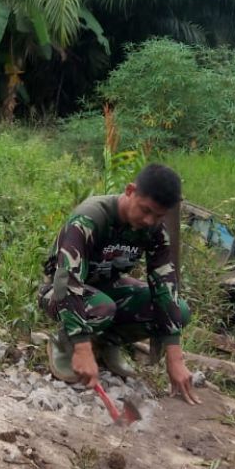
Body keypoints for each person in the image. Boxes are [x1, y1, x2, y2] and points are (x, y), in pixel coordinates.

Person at [39, 163, 201, 405]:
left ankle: (105, 343)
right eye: (145, 210)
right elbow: (66, 280)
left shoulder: (154, 229)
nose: (149, 220)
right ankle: (65, 343)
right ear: (130, 191)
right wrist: (81, 348)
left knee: (181, 311)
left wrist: (174, 357)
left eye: (158, 216)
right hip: (59, 291)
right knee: (102, 307)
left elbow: (165, 285)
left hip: (107, 287)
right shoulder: (91, 217)